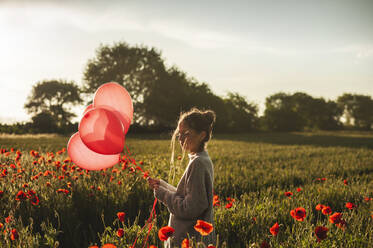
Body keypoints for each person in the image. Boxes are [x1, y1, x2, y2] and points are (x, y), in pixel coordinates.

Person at [148, 107, 216, 247]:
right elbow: (188, 196)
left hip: (190, 239)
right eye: (179, 134)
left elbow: (191, 208)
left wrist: (164, 195)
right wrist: (163, 185)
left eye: (185, 134)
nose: (180, 138)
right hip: (191, 237)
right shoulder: (202, 159)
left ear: (202, 135)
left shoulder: (198, 163)